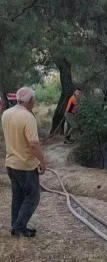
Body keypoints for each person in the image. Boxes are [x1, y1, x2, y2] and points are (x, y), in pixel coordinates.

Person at [1, 86, 46, 237]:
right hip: (25, 165)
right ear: (31, 100)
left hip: (11, 163)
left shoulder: (6, 113)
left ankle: (16, 226)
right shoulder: (27, 117)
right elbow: (33, 144)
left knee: (18, 196)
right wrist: (42, 161)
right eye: (34, 100)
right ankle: (19, 227)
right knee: (33, 197)